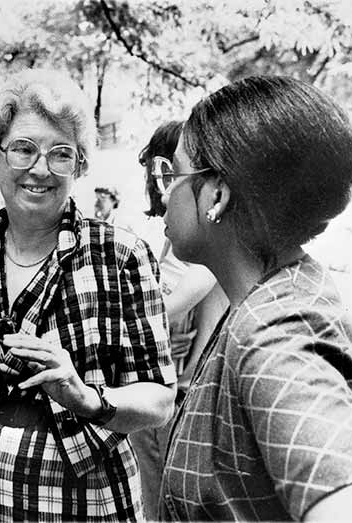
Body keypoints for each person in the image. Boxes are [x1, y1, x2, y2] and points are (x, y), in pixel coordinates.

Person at [0, 69, 177, 521]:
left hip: (85, 492)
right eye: (23, 149)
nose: (39, 169)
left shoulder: (121, 255)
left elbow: (159, 399)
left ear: (80, 166)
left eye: (60, 154)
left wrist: (85, 395)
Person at [158, 75, 352, 520]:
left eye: (173, 173)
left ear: (215, 193)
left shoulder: (276, 331)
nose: (164, 193)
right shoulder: (268, 294)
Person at [129, 120, 227, 519]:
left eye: (168, 172)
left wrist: (141, 321)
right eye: (155, 172)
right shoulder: (168, 235)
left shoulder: (211, 236)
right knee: (154, 497)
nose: (159, 184)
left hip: (186, 393)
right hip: (157, 387)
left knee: (178, 501)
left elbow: (168, 307)